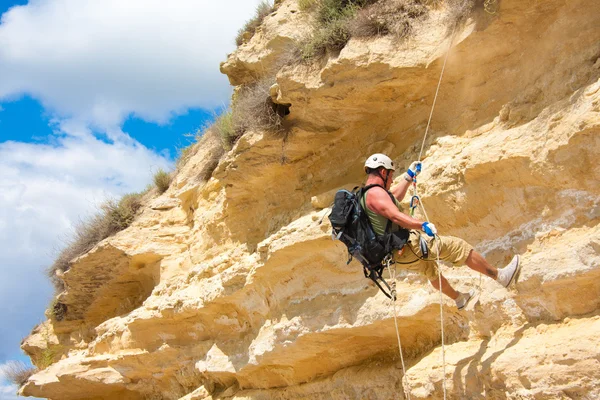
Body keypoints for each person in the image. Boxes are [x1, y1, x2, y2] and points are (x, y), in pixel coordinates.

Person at [362, 153, 521, 309]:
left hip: (396, 255)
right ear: (383, 172)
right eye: (391, 176)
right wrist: (422, 225)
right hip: (409, 247)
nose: (391, 181)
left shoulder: (366, 195)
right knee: (458, 247)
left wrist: (408, 177)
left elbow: (393, 197)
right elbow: (395, 216)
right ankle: (501, 276)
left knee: (431, 270)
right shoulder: (376, 193)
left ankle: (459, 299)